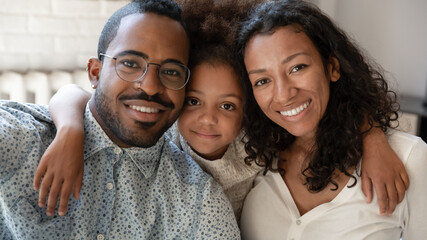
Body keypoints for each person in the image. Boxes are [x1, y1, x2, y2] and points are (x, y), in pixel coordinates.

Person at [34, 0, 408, 223]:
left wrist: (373, 137)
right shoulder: (166, 127)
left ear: (248, 108)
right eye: (193, 100)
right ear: (177, 95)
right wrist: (69, 132)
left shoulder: (257, 143)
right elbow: (75, 94)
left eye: (228, 105)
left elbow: (322, 116)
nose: (208, 118)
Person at [0, 0, 240, 239]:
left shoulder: (199, 202)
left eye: (170, 71)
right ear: (95, 73)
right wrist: (69, 130)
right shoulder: (22, 139)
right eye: (130, 63)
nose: (150, 86)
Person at [236, 0, 427, 239]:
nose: (284, 94)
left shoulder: (410, 159)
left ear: (332, 67)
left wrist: (372, 134)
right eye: (262, 81)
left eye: (297, 67)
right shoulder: (249, 157)